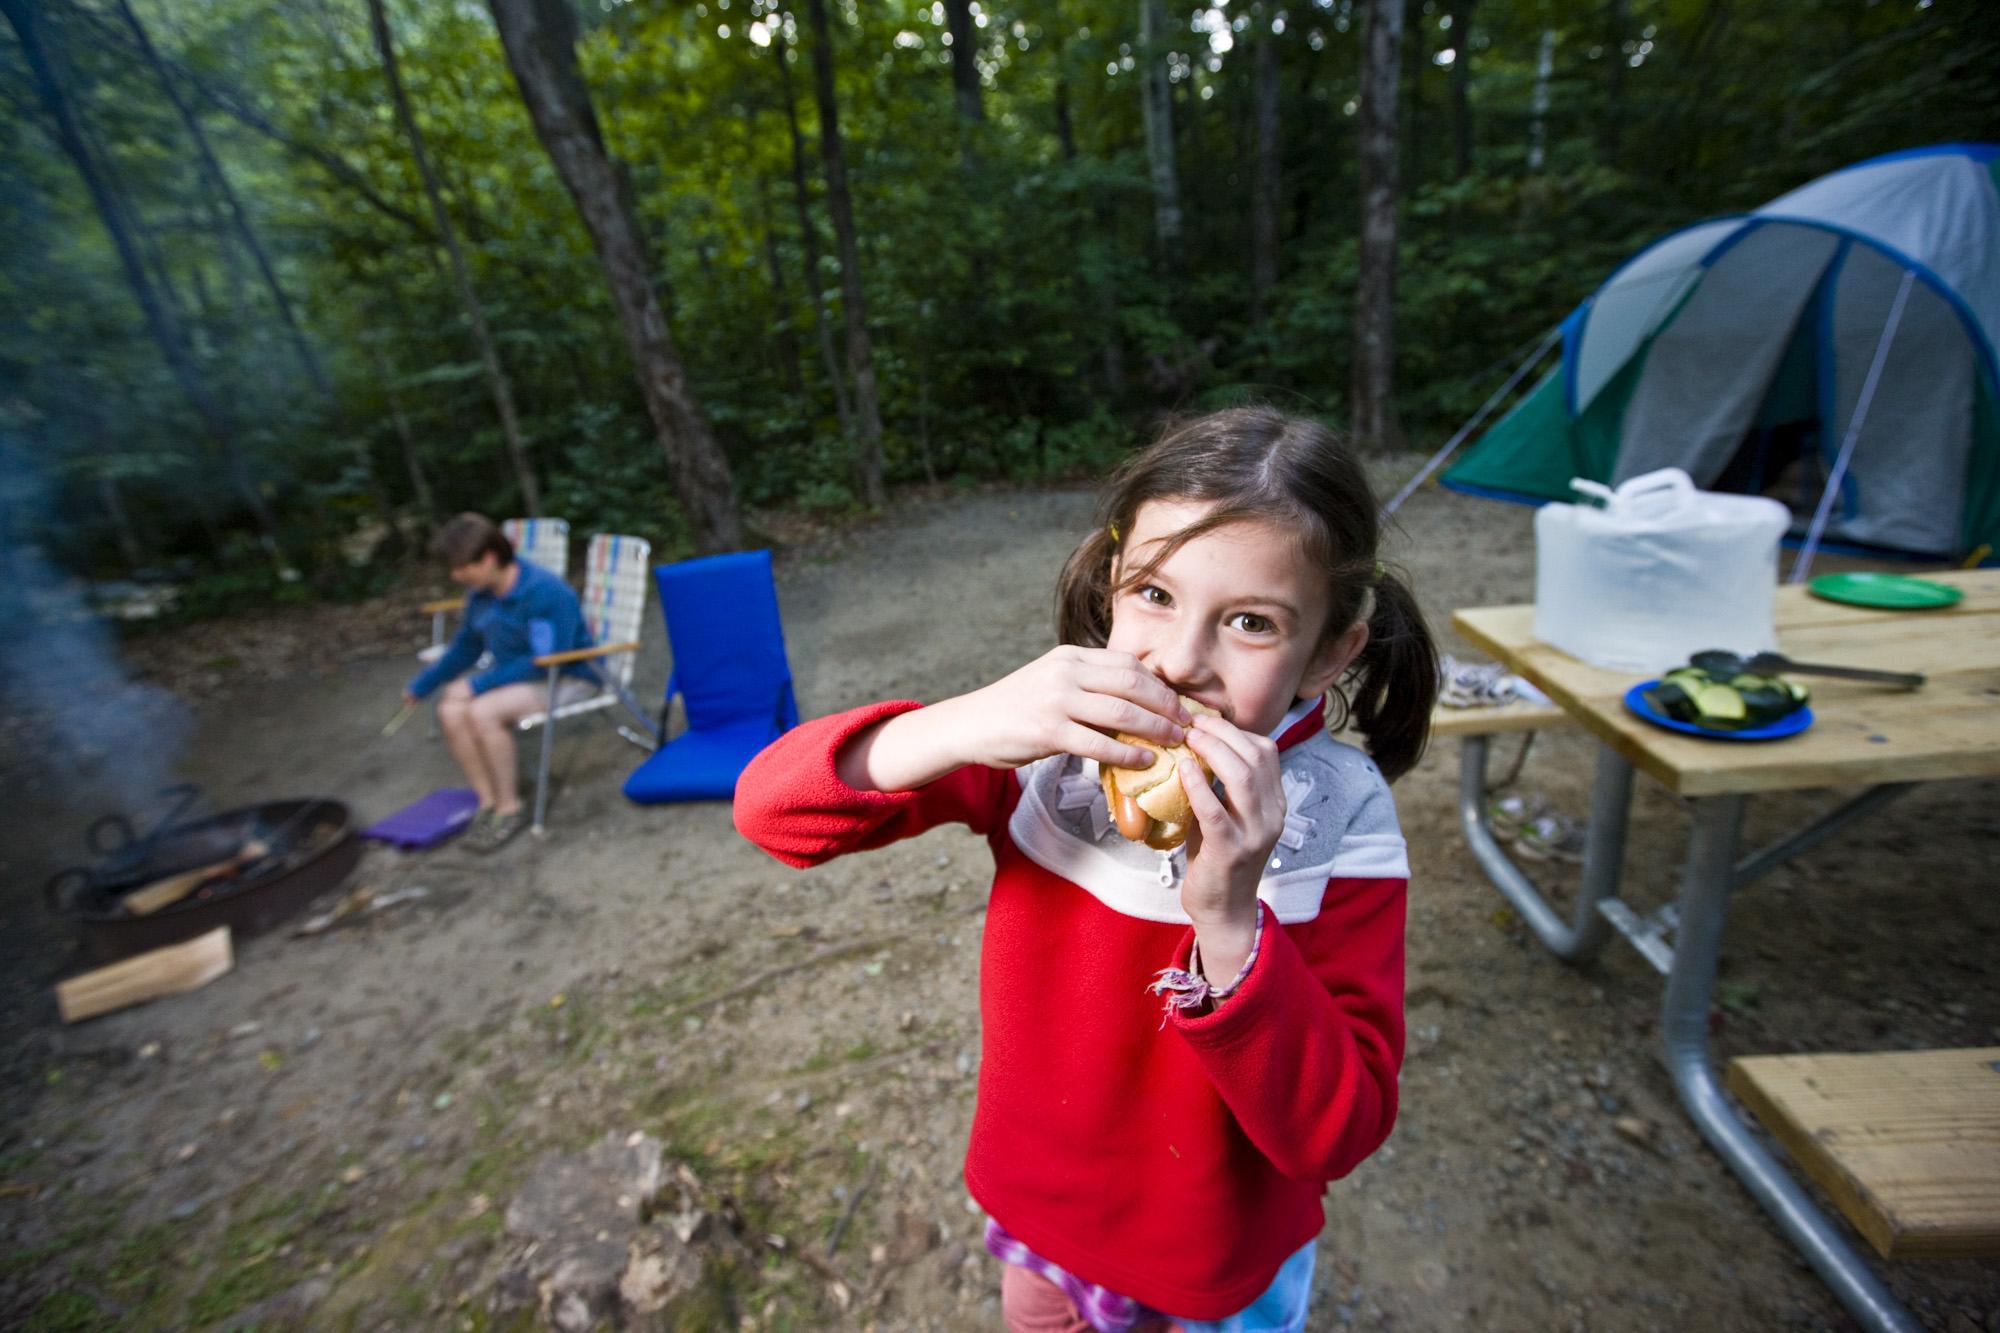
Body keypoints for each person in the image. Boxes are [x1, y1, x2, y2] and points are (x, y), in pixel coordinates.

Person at [733, 407, 1440, 1332]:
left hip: (1220, 1260)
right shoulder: (1044, 749)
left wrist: (1231, 923)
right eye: (1155, 594)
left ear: (1330, 653)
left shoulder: (1343, 816)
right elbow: (771, 814)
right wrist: (964, 720)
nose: (1180, 662)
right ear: (1111, 585)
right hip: (1042, 1220)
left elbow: (1338, 1131)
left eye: (1251, 622)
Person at [405, 513, 597, 851]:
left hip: (566, 674)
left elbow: (547, 659)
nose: (455, 576)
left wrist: (478, 686)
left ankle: (510, 808)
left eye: (461, 568)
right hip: (518, 677)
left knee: (482, 711)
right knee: (450, 711)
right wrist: (423, 685)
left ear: (489, 558)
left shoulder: (544, 591)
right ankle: (488, 800)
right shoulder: (480, 596)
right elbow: (465, 647)